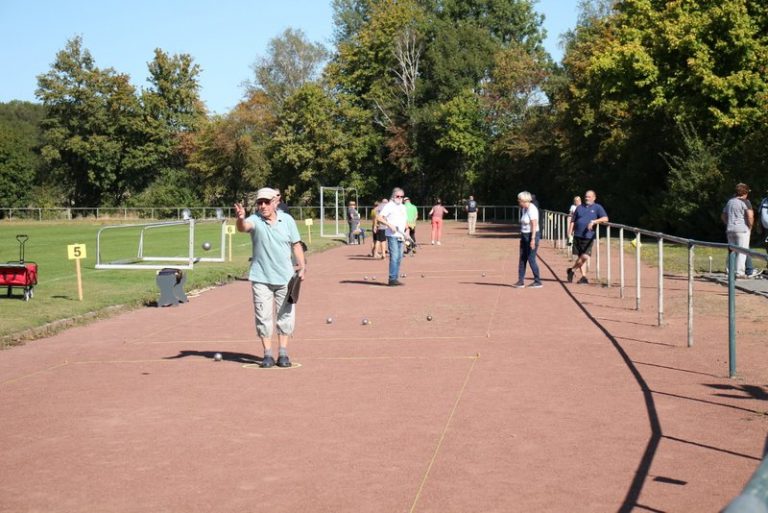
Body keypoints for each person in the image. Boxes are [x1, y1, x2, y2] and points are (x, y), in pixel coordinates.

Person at [234, 187, 306, 368]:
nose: (263, 206)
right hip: (261, 278)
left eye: (266, 202)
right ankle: (267, 354)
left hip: (285, 277)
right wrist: (240, 218)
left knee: (285, 315)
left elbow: (296, 245)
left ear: (275, 202)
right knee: (263, 316)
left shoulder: (287, 220)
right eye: (260, 203)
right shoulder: (255, 220)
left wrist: (302, 267)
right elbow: (243, 228)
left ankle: (283, 353)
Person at [567, 190, 608, 284]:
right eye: (586, 196)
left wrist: (594, 221)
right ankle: (583, 277)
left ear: (594, 198)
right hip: (577, 235)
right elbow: (573, 220)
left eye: (589, 197)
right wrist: (569, 233)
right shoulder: (579, 207)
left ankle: (572, 270)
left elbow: (605, 218)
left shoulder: (598, 207)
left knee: (585, 256)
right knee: (580, 257)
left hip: (588, 236)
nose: (587, 198)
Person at [721, 183, 755, 279]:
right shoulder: (745, 202)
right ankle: (739, 272)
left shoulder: (730, 202)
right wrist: (750, 227)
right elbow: (750, 216)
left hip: (730, 229)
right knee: (742, 251)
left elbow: (723, 216)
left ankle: (729, 270)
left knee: (731, 250)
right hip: (742, 230)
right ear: (745, 192)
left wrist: (728, 223)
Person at [377, 188, 408, 286]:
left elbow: (405, 221)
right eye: (398, 196)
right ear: (393, 196)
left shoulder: (403, 207)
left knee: (399, 258)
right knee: (394, 257)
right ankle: (392, 279)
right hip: (392, 235)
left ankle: (395, 278)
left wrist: (407, 231)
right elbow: (379, 217)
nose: (400, 198)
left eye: (402, 196)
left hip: (401, 235)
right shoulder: (389, 206)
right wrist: (389, 225)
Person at [513, 191, 542, 288]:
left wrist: (533, 239)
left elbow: (534, 225)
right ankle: (520, 281)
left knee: (531, 258)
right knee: (522, 258)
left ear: (524, 200)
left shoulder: (532, 209)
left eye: (519, 200)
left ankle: (538, 281)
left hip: (532, 235)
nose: (518, 201)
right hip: (524, 235)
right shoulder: (524, 209)